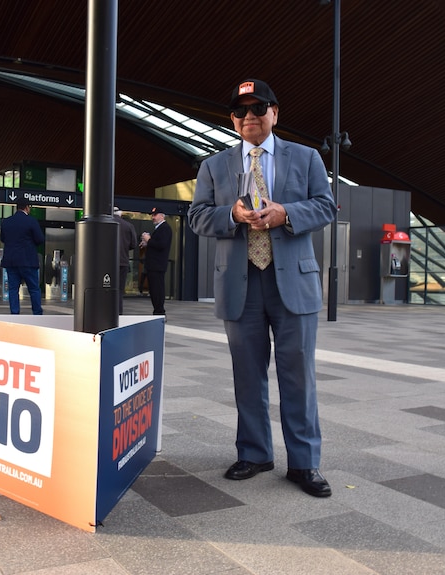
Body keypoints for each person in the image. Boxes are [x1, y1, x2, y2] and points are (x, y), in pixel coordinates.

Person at [188, 79, 337, 497]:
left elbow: (325, 205)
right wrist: (232, 215)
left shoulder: (306, 158)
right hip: (241, 282)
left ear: (275, 112)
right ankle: (254, 453)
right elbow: (198, 216)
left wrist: (285, 212)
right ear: (232, 119)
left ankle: (304, 463)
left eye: (258, 109)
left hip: (294, 281)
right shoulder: (214, 166)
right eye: (241, 111)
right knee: (247, 374)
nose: (249, 117)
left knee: (298, 375)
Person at [0, 199, 45, 315]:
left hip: (11, 261)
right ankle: (37, 313)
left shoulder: (6, 222)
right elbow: (40, 239)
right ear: (27, 207)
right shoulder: (31, 221)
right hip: (28, 261)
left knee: (13, 290)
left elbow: (3, 239)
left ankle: (14, 313)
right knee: (34, 289)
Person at [139, 206, 172, 316]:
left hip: (157, 265)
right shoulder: (159, 228)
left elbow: (161, 245)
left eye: (155, 215)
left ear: (162, 216)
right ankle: (158, 311)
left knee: (157, 289)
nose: (153, 217)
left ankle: (159, 312)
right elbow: (157, 244)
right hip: (154, 265)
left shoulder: (165, 228)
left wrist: (149, 240)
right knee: (153, 290)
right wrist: (147, 243)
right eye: (152, 215)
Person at [114, 206, 137, 314]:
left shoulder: (106, 224)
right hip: (123, 261)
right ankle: (118, 313)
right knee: (119, 291)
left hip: (107, 263)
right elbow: (133, 244)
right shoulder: (128, 226)